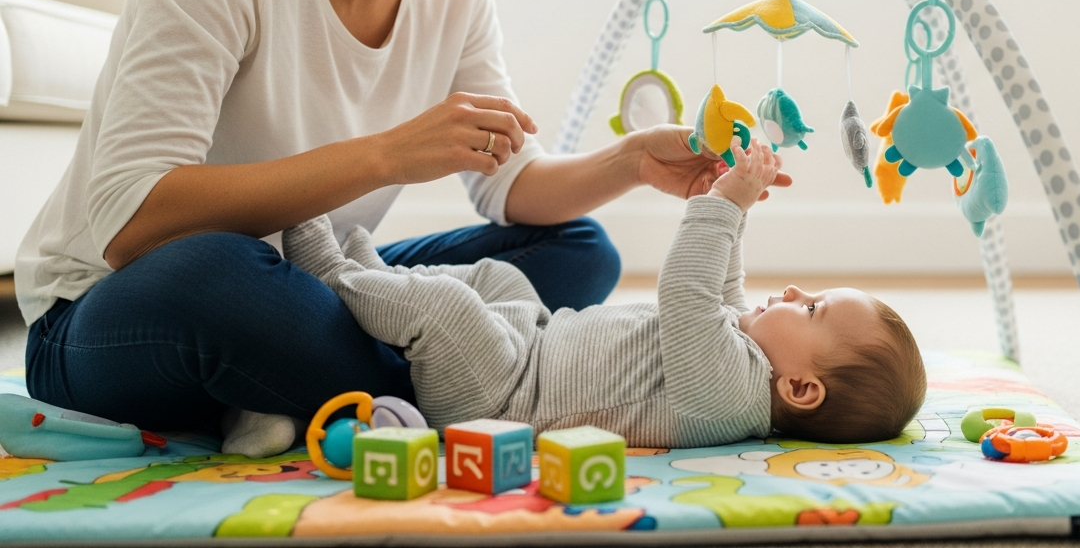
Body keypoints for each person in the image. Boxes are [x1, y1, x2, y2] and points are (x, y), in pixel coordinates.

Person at [16, 0, 787, 455]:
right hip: (116, 306)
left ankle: (335, 384)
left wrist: (628, 163)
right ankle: (466, 391)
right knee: (216, 275)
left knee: (577, 250)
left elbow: (512, 184)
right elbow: (133, 221)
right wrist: (386, 155)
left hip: (304, 282)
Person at [283, 143, 927, 447]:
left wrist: (725, 209)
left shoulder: (731, 399)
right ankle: (380, 281)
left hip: (500, 399)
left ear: (801, 390)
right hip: (529, 342)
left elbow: (687, 294)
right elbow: (721, 289)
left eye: (811, 308)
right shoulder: (745, 352)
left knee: (451, 313)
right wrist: (728, 205)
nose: (792, 291)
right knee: (501, 280)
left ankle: (331, 278)